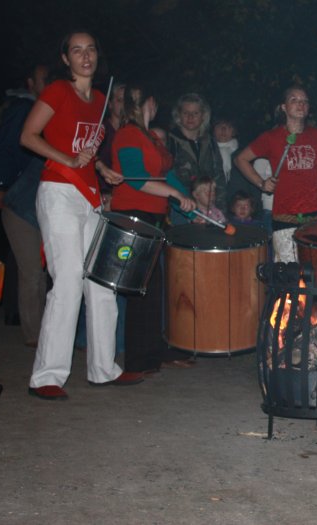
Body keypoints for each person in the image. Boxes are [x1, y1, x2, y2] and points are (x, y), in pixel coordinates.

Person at [20, 31, 144, 400]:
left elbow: (87, 149)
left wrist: (103, 169)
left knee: (102, 280)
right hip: (58, 190)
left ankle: (103, 368)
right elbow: (29, 136)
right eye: (76, 50)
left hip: (88, 195)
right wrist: (69, 161)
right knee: (70, 279)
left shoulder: (101, 100)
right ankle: (46, 376)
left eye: (90, 49)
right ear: (66, 58)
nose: (85, 56)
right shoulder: (58, 91)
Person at [109, 83, 196, 374]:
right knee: (138, 289)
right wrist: (175, 195)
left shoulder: (151, 139)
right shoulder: (128, 134)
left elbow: (167, 175)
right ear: (150, 102)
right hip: (133, 215)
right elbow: (135, 179)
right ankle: (136, 359)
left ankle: (153, 351)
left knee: (152, 288)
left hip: (154, 219)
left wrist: (191, 201)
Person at [235, 86, 317, 262]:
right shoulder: (271, 137)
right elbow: (240, 159)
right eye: (294, 100)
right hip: (285, 217)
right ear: (283, 107)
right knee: (289, 276)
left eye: (304, 101)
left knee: (316, 274)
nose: (300, 104)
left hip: (316, 218)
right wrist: (261, 183)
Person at [0, 63, 50, 345]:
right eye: (42, 79)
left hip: (42, 202)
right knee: (31, 271)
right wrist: (0, 187)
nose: (47, 82)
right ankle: (35, 335)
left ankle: (43, 329)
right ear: (30, 83)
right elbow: (3, 147)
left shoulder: (52, 110)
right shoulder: (23, 109)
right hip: (19, 199)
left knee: (42, 270)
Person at [166, 93, 226, 202]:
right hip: (180, 205)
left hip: (208, 206)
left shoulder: (210, 142)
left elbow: (219, 177)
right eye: (186, 113)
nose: (190, 117)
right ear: (178, 115)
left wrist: (220, 209)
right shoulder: (169, 141)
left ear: (203, 116)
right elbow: (168, 176)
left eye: (195, 113)